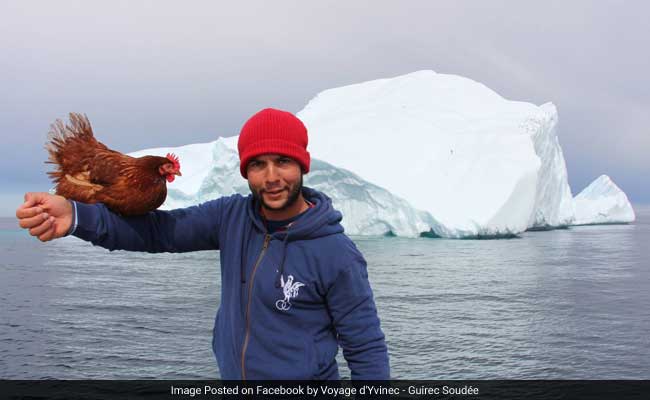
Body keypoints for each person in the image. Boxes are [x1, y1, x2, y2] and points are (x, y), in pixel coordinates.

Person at [15, 108, 390, 380]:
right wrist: (76, 216)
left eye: (283, 162)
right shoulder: (231, 218)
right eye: (258, 165)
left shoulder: (336, 253)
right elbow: (159, 232)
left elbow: (366, 347)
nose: (272, 177)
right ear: (246, 171)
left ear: (302, 166)